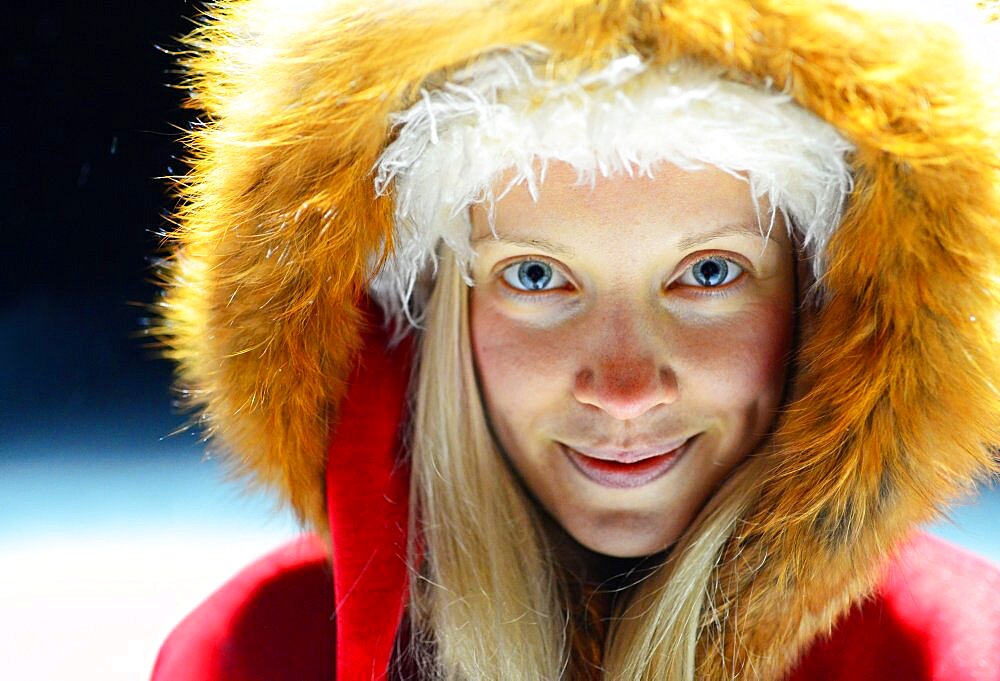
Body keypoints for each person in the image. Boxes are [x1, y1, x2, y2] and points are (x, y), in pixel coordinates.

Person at [151, 1, 1000, 679]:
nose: (625, 387)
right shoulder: (252, 657)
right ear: (427, 315)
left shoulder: (956, 656)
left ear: (824, 305)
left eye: (708, 274)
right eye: (535, 276)